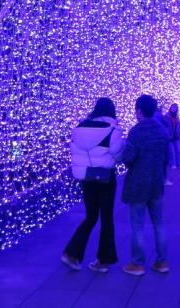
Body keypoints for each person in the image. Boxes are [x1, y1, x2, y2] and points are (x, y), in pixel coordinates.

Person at [62, 97, 125, 272]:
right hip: (105, 177)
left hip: (86, 178)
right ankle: (103, 260)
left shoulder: (79, 128)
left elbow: (74, 152)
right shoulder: (113, 130)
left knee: (90, 216)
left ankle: (71, 253)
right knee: (106, 217)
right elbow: (119, 155)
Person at [121, 94, 170, 275]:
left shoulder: (137, 131)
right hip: (157, 183)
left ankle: (138, 263)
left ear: (139, 110)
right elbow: (166, 157)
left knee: (138, 225)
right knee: (159, 222)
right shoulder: (162, 129)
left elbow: (128, 158)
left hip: (139, 184)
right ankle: (162, 262)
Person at [166, 103, 180, 168]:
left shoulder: (177, 117)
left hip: (176, 136)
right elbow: (165, 126)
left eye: (175, 108)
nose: (174, 109)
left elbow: (179, 125)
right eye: (173, 107)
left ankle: (178, 164)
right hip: (170, 136)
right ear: (170, 108)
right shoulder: (166, 116)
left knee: (178, 150)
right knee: (171, 151)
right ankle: (172, 164)